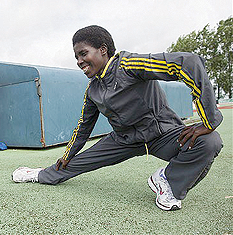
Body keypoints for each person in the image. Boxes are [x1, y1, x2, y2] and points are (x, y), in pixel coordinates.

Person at [12, 25, 223, 211]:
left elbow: (189, 62)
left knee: (210, 141)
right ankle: (38, 174)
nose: (79, 61)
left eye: (83, 53)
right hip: (123, 140)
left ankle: (167, 182)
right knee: (70, 164)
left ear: (103, 50)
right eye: (76, 57)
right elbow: (83, 128)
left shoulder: (130, 64)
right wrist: (67, 156)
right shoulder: (93, 90)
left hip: (162, 135)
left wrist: (208, 120)